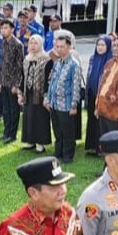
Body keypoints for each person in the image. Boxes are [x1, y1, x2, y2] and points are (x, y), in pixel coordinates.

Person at [45, 35, 83, 163]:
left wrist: (73, 105)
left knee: (67, 132)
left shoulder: (74, 65)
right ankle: (58, 153)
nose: (59, 49)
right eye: (57, 47)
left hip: (66, 104)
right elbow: (51, 81)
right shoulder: (57, 63)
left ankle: (68, 156)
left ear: (69, 47)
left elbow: (76, 86)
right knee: (57, 130)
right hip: (54, 104)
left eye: (62, 47)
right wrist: (48, 99)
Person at [21, 35, 52, 153]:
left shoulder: (46, 59)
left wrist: (46, 95)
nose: (33, 46)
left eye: (35, 43)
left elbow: (49, 77)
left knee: (40, 118)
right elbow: (23, 76)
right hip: (28, 93)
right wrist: (20, 93)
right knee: (29, 117)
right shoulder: (27, 59)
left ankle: (40, 142)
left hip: (39, 94)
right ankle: (30, 141)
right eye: (31, 43)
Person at [84, 35, 112, 155]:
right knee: (91, 120)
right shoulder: (92, 58)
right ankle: (91, 145)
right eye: (98, 45)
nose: (100, 48)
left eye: (103, 45)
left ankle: (101, 147)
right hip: (91, 93)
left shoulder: (110, 60)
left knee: (100, 121)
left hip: (102, 96)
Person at [0, 19, 25, 144]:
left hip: (12, 83)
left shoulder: (18, 45)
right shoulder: (3, 43)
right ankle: (6, 132)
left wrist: (16, 85)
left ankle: (12, 134)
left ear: (12, 29)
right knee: (6, 109)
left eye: (6, 28)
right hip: (4, 81)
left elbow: (19, 66)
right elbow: (2, 64)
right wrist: (0, 82)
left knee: (14, 109)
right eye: (2, 28)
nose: (3, 30)